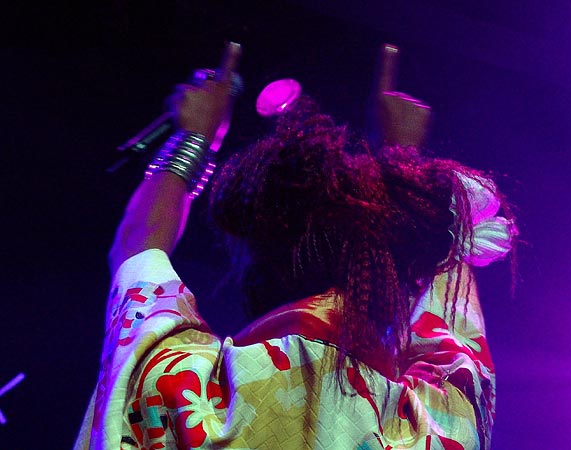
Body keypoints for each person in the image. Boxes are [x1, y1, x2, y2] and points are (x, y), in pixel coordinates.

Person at [74, 42, 516, 450]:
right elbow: (450, 323)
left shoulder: (184, 389)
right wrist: (404, 167)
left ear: (255, 266)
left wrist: (194, 137)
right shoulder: (428, 431)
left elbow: (138, 247)